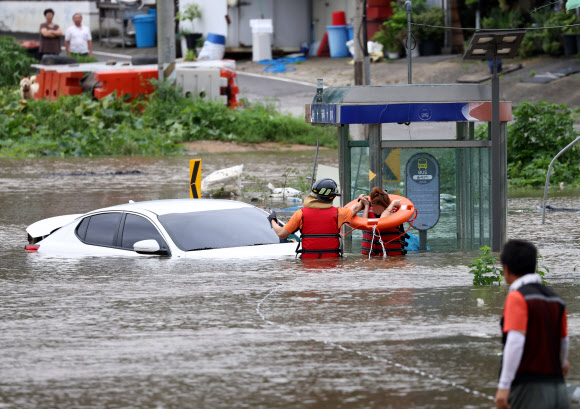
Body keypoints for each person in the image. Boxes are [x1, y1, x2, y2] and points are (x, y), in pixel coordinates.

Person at [495, 239, 570, 409]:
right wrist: (561, 364)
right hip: (559, 390)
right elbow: (564, 341)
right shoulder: (556, 299)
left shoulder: (517, 297)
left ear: (506, 269)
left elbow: (515, 342)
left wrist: (504, 387)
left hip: (529, 391)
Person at [269, 178, 365, 258]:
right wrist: (361, 200)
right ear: (332, 197)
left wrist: (273, 220)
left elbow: (281, 234)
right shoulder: (339, 213)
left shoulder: (300, 214)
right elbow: (356, 208)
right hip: (332, 265)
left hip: (307, 265)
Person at [360, 187, 407, 257]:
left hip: (392, 258)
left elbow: (382, 220)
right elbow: (362, 225)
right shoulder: (369, 212)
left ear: (385, 207)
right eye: (374, 208)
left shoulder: (394, 214)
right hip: (371, 257)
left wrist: (392, 204)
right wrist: (366, 205)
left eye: (379, 209)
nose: (377, 212)